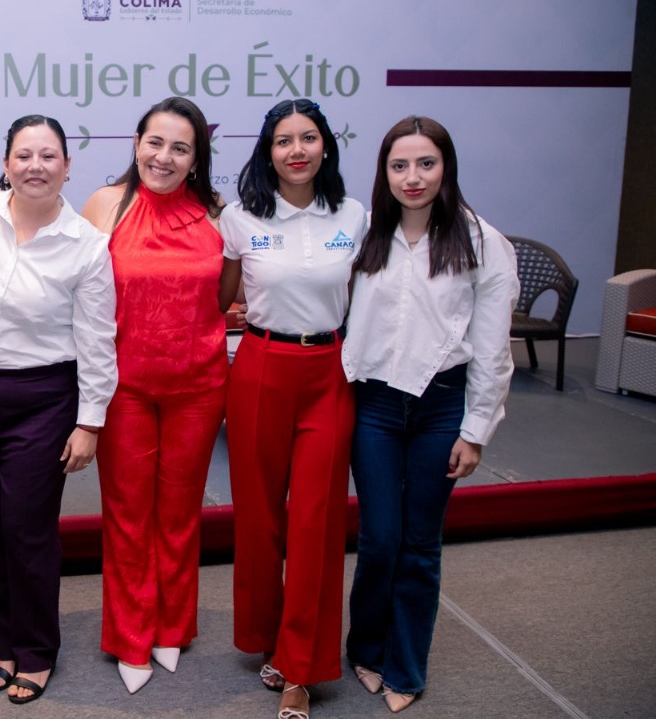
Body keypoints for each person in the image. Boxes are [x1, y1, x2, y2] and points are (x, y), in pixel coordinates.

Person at [341, 116, 518, 713]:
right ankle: (365, 649)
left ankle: (406, 667)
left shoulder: (481, 241)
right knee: (379, 540)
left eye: (426, 163)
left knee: (420, 544)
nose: (412, 177)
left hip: (442, 406)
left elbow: (492, 348)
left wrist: (476, 430)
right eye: (399, 166)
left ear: (447, 167)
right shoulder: (367, 234)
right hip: (373, 407)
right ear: (384, 172)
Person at [0, 114, 118, 705]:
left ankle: (37, 649)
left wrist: (90, 422)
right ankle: (5, 641)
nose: (35, 166)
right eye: (23, 155)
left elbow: (98, 340)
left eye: (48, 156)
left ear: (67, 167)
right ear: (6, 162)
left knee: (27, 527)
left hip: (42, 401)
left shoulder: (87, 246)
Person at [218, 98, 367, 719]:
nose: (296, 150)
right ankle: (266, 637)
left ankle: (302, 666)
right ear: (268, 151)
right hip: (259, 368)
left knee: (315, 523)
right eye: (283, 140)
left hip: (329, 371)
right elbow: (220, 299)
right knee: (258, 519)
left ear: (325, 146)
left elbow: (368, 297)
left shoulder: (353, 215)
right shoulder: (238, 218)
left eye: (308, 138)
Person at [80, 97, 231, 694]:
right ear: (136, 144)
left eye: (180, 148)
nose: (164, 157)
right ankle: (130, 634)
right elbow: (80, 292)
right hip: (125, 389)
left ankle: (173, 625)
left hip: (199, 385)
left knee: (179, 513)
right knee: (127, 515)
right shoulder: (105, 204)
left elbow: (227, 296)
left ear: (196, 158)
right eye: (155, 143)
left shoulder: (216, 212)